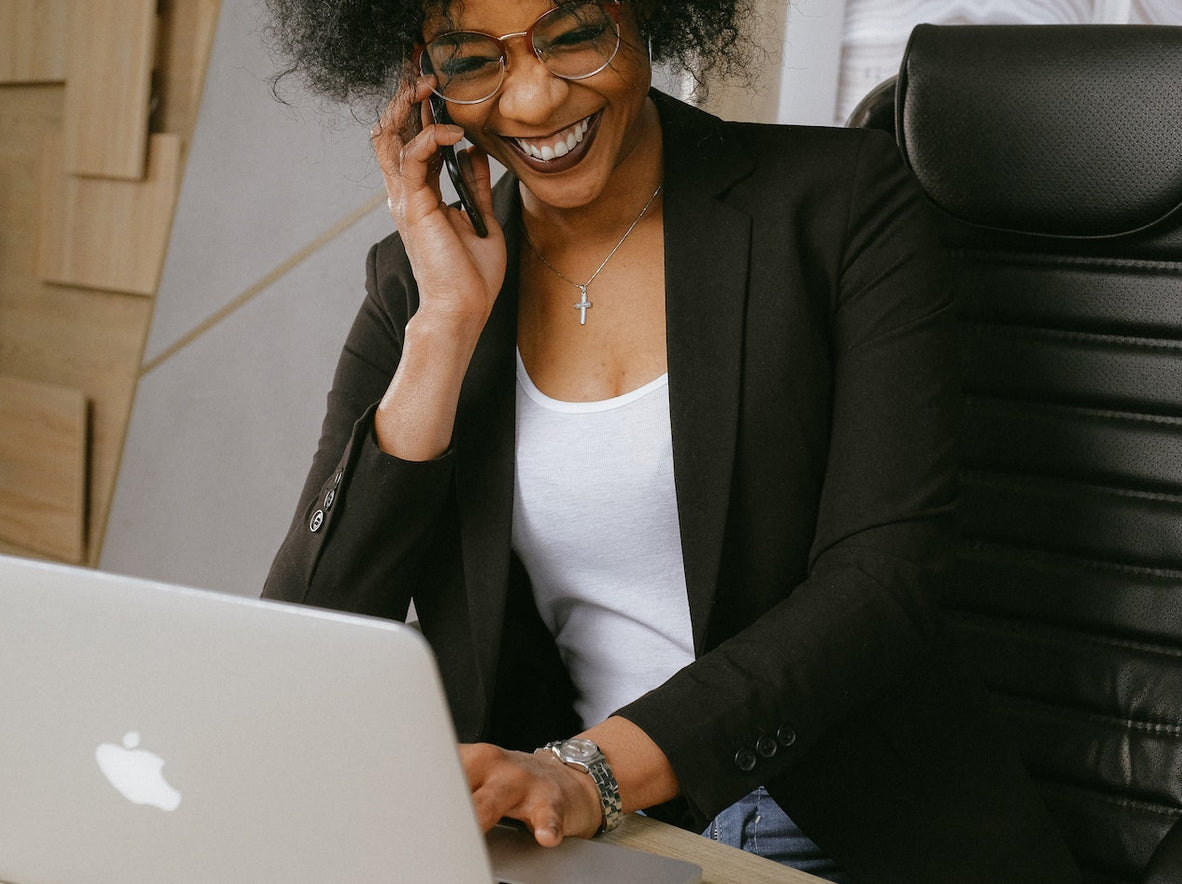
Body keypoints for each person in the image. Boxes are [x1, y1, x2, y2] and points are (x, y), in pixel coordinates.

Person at [261, 1, 1078, 880]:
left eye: (574, 36)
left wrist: (590, 772)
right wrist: (446, 327)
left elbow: (882, 579)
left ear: (648, 15)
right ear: (424, 79)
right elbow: (314, 641)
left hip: (841, 823)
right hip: (557, 833)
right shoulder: (421, 280)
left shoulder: (841, 204)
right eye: (471, 60)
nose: (533, 102)